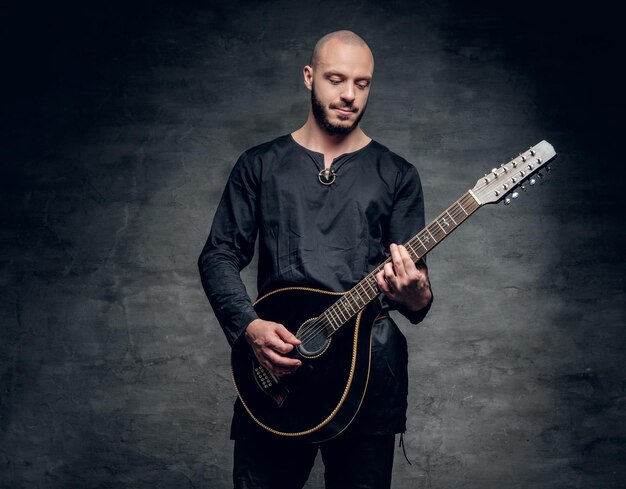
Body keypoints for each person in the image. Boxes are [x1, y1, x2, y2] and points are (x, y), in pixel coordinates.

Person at [198, 30, 433, 489]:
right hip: (279, 371)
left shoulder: (398, 175)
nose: (348, 94)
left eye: (361, 84)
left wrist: (417, 293)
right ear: (309, 77)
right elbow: (219, 255)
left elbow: (415, 298)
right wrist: (249, 326)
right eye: (335, 78)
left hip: (367, 380)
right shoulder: (259, 165)